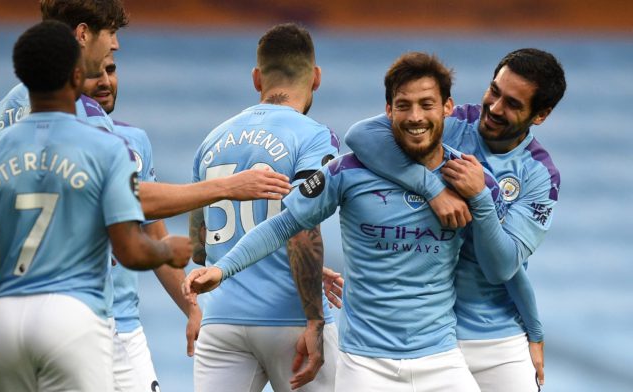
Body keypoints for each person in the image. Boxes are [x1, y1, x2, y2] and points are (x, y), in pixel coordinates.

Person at [185, 52, 517, 392]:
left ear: (448, 107)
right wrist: (223, 269)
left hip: (442, 361)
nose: (415, 116)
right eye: (403, 105)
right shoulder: (348, 171)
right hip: (365, 367)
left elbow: (501, 269)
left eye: (426, 104)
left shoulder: (472, 179)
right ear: (388, 111)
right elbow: (285, 225)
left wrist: (480, 200)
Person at [0, 0, 290, 305]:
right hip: (77, 305)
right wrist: (227, 187)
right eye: (110, 34)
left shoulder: (4, 110)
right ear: (83, 34)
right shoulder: (77, 109)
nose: (116, 44)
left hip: (13, 304)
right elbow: (131, 201)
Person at [0, 21, 188, 391]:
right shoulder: (105, 147)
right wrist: (166, 249)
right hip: (74, 313)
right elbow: (131, 250)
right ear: (76, 78)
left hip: (6, 318)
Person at [344, 48, 566, 391]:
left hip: (495, 336)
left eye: (513, 104)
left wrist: (479, 198)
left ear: (541, 115)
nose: (494, 108)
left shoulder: (539, 175)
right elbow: (360, 135)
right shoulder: (449, 123)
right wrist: (432, 188)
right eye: (494, 91)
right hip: (428, 339)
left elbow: (504, 268)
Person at [188, 23, 340, 392]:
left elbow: (199, 246)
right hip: (288, 318)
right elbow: (303, 229)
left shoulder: (212, 140)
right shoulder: (313, 136)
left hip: (221, 322)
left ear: (257, 78)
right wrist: (315, 319)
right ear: (316, 77)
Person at [83, 53, 201, 391]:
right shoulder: (59, 144)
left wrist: (191, 307)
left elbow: (154, 231)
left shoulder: (135, 142)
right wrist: (223, 189)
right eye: (95, 74)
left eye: (111, 69)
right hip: (76, 322)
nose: (105, 81)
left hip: (126, 326)